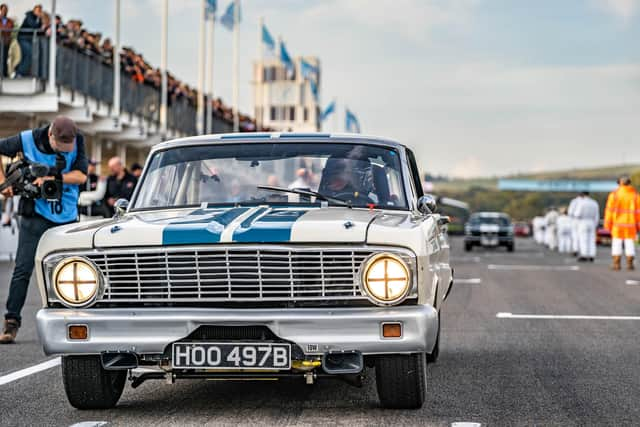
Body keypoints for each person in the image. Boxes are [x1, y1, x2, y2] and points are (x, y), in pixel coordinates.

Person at [0, 116, 87, 343]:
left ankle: (75, 320)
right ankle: (11, 322)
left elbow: (81, 176)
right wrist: (3, 184)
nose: (67, 149)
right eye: (62, 146)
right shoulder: (28, 139)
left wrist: (52, 176)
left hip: (66, 215)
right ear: (50, 134)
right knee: (22, 269)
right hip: (35, 212)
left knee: (72, 270)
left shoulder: (78, 139)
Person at [604, 176, 640, 270]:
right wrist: (638, 225)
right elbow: (638, 212)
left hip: (617, 225)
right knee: (630, 243)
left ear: (620, 183)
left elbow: (609, 211)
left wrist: (607, 224)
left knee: (616, 243)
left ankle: (616, 264)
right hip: (630, 224)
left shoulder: (614, 195)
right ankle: (630, 264)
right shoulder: (635, 195)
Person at [16, 4, 42, 77]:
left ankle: (18, 70)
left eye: (39, 11)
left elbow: (39, 30)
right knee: (30, 53)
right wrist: (39, 20)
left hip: (29, 39)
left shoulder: (38, 19)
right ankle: (20, 72)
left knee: (25, 56)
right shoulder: (29, 16)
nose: (38, 12)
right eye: (37, 10)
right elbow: (33, 25)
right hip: (23, 38)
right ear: (34, 10)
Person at [574, 192, 599, 262]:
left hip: (583, 222)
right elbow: (597, 215)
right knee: (591, 239)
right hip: (592, 222)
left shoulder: (581, 203)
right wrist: (595, 224)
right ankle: (592, 255)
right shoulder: (594, 203)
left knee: (583, 239)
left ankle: (584, 254)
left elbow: (577, 214)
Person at [0, 3, 14, 78]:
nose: (4, 11)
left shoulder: (9, 21)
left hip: (6, 42)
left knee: (5, 57)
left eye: (6, 10)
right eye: (3, 10)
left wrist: (3, 29)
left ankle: (4, 73)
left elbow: (9, 28)